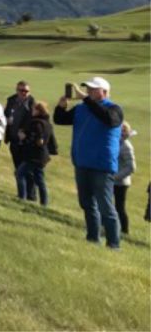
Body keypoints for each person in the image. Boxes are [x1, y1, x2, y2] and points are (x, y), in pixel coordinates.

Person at [54, 76, 123, 249]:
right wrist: (60, 107)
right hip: (82, 163)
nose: (89, 92)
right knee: (86, 203)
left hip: (102, 165)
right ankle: (93, 238)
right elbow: (60, 120)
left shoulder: (114, 109)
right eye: (88, 89)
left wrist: (85, 99)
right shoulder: (81, 108)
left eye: (93, 89)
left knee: (106, 207)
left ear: (105, 92)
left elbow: (109, 120)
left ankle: (113, 243)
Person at [16, 101, 57, 205]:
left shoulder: (36, 123)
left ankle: (22, 198)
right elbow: (51, 140)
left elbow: (37, 140)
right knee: (40, 180)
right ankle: (44, 203)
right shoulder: (47, 123)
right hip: (43, 155)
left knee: (19, 173)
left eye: (34, 109)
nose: (32, 111)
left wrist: (23, 138)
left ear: (38, 111)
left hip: (34, 155)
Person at [4, 81, 36, 200]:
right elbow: (5, 114)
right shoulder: (11, 100)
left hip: (26, 142)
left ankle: (31, 196)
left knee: (28, 171)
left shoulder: (32, 103)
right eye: (21, 90)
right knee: (18, 169)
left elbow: (34, 122)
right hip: (14, 141)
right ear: (16, 90)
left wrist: (25, 131)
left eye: (26, 91)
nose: (24, 93)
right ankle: (21, 194)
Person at [112, 122, 136, 237]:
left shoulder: (126, 146)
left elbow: (131, 167)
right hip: (112, 180)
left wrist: (115, 177)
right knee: (109, 204)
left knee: (119, 207)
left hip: (121, 183)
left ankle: (124, 231)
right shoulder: (116, 143)